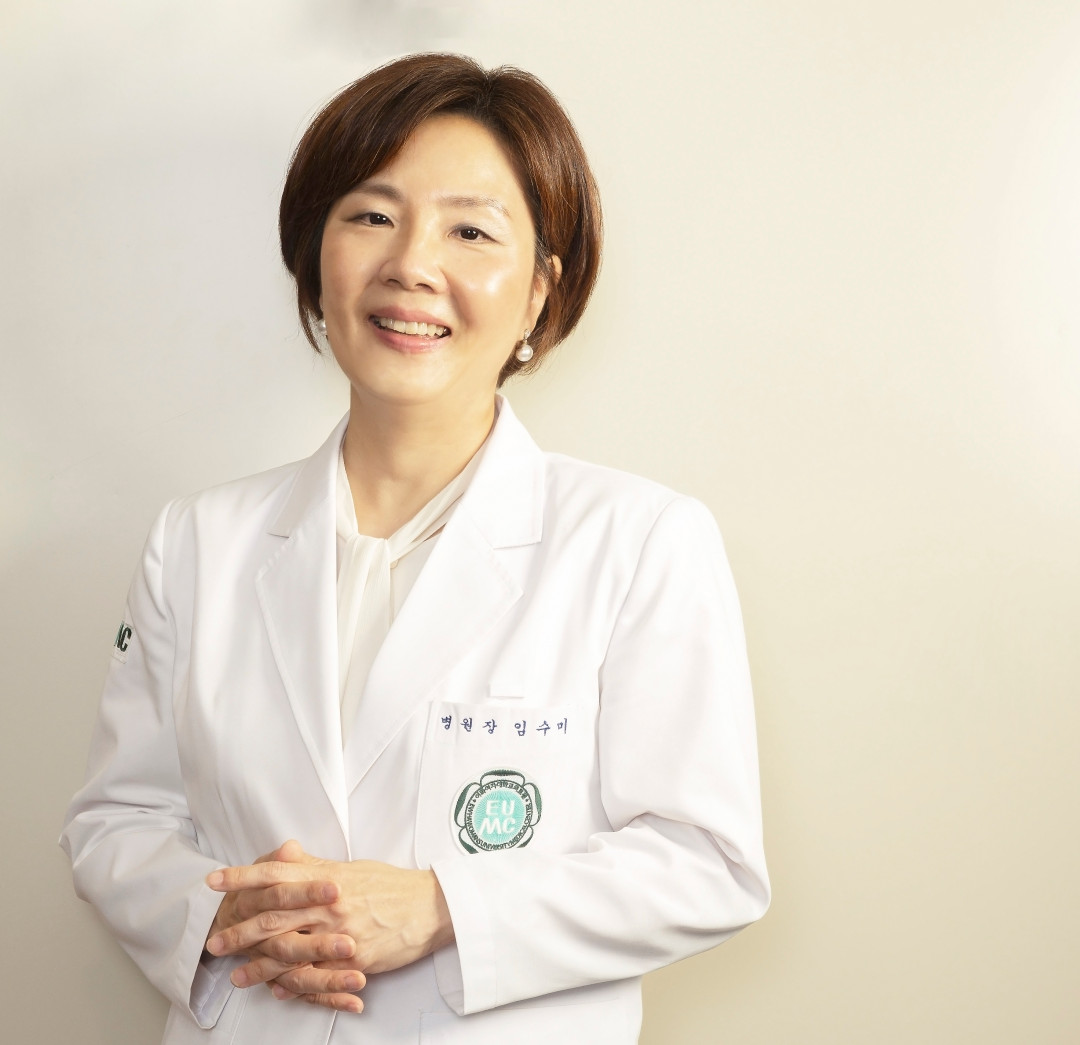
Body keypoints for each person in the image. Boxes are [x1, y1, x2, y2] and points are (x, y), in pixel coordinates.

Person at [61, 53, 769, 1044]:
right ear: (316, 258)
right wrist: (226, 916)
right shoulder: (198, 542)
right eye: (371, 215)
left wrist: (441, 907)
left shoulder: (639, 542)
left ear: (540, 292)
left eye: (470, 230)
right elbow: (117, 821)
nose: (411, 264)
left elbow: (707, 861)